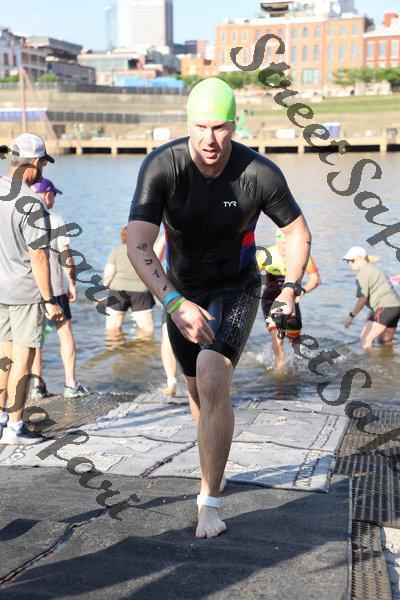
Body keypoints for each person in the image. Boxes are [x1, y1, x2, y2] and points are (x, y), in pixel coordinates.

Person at [127, 77, 311, 539]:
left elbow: (297, 232)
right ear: (188, 123)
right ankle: (213, 460)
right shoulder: (162, 166)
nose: (210, 139)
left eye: (220, 127)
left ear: (235, 124)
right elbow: (138, 243)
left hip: (236, 285)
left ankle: (208, 501)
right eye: (201, 127)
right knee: (196, 389)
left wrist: (289, 289)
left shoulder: (259, 173)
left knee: (212, 375)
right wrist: (173, 301)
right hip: (181, 292)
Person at [0, 133, 63, 445]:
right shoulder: (32, 203)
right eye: (43, 164)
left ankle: (1, 419)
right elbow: (38, 255)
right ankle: (15, 428)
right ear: (36, 162)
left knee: (3, 358)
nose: (43, 170)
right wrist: (50, 299)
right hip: (25, 291)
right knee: (22, 360)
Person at [30, 177, 87, 400]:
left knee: (34, 339)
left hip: (31, 289)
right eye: (53, 195)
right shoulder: (55, 220)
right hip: (54, 288)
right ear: (46, 195)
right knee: (64, 333)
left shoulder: (22, 219)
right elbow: (66, 256)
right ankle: (70, 384)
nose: (54, 199)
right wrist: (72, 283)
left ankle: (37, 385)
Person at [257, 229, 321, 359]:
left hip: (291, 300)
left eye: (289, 242)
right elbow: (252, 276)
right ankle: (280, 366)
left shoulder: (300, 254)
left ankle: (295, 364)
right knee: (277, 336)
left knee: (294, 339)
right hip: (270, 298)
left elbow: (316, 279)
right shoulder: (267, 254)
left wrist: (303, 291)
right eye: (283, 242)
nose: (286, 246)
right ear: (277, 240)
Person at [104, 226, 155, 343]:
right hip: (141, 291)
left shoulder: (117, 250)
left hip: (118, 290)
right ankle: (142, 349)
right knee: (146, 328)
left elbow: (109, 273)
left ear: (123, 236)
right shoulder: (145, 250)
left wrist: (106, 285)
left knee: (113, 327)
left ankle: (116, 348)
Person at [343, 246, 400, 349]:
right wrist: (372, 314)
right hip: (396, 307)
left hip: (385, 307)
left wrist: (351, 316)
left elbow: (363, 299)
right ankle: (388, 358)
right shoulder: (373, 269)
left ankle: (367, 360)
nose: (349, 264)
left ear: (360, 258)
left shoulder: (362, 274)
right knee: (385, 340)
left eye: (351, 261)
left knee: (365, 339)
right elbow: (379, 293)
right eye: (347, 261)